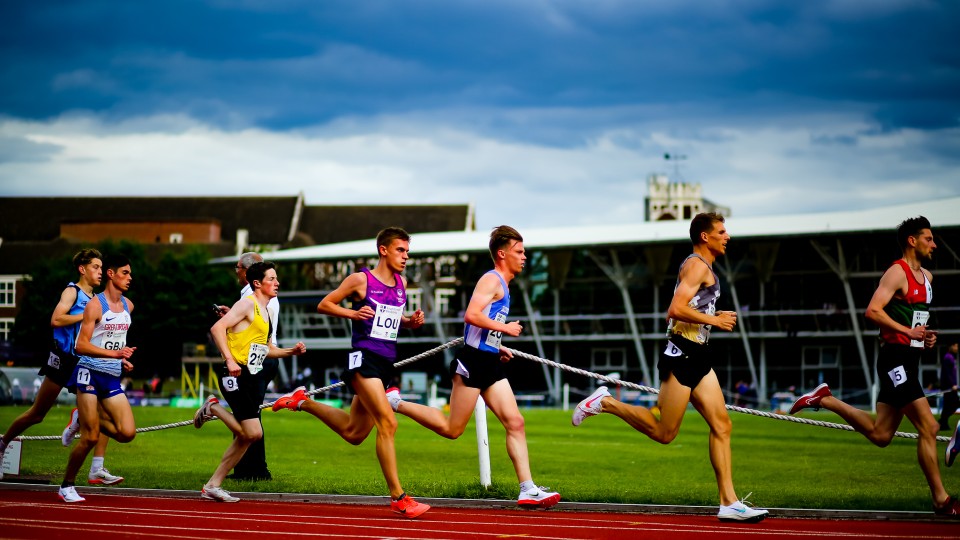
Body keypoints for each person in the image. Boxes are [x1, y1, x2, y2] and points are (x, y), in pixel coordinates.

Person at [571, 213, 768, 523]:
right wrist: (714, 320)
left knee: (722, 425)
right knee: (665, 432)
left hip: (699, 355)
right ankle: (605, 402)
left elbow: (691, 307)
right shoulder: (696, 265)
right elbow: (674, 309)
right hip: (682, 354)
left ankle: (729, 502)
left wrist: (711, 318)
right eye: (721, 231)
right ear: (705, 236)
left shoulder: (706, 267)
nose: (727, 236)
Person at [790, 216, 960, 516]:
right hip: (895, 360)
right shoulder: (897, 272)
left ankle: (825, 398)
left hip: (910, 359)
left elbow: (914, 320)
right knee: (929, 426)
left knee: (881, 435)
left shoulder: (928, 279)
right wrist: (908, 333)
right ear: (912, 240)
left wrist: (924, 337)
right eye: (928, 238)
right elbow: (872, 311)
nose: (934, 244)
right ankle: (941, 500)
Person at [387, 225, 561, 508]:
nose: (525, 256)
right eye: (519, 251)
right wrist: (504, 328)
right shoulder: (491, 280)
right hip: (473, 362)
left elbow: (481, 326)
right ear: (502, 254)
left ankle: (527, 488)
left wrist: (497, 343)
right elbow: (471, 315)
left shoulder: (504, 285)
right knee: (452, 429)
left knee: (515, 422)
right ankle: (396, 402)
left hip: (489, 360)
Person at [271, 227, 431, 518]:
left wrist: (410, 322)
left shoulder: (401, 283)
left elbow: (394, 321)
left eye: (408, 251)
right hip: (363, 360)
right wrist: (353, 313)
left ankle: (301, 401)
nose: (406, 256)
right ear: (383, 250)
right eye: (400, 250)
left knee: (354, 432)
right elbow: (325, 304)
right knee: (388, 424)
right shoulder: (361, 280)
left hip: (384, 363)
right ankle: (399, 497)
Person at [0, 250, 121, 486]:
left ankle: (97, 466)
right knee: (37, 414)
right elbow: (56, 319)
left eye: (101, 267)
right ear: (82, 269)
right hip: (63, 359)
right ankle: (3, 445)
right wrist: (86, 316)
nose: (100, 272)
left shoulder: (97, 299)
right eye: (95, 267)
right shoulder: (72, 291)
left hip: (84, 362)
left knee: (105, 412)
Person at [194, 261, 306, 502]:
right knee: (250, 433)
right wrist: (230, 360)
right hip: (233, 373)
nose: (277, 283)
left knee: (250, 435)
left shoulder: (265, 312)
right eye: (272, 279)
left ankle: (213, 485)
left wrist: (290, 352)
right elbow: (217, 328)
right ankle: (212, 407)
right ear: (257, 283)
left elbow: (264, 348)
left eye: (277, 279)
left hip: (249, 374)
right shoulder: (247, 303)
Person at [58, 254, 138, 503]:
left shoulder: (128, 306)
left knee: (127, 433)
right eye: (124, 273)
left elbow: (113, 341)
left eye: (130, 274)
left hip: (112, 376)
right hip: (89, 372)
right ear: (112, 275)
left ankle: (81, 417)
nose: (129, 278)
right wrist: (114, 353)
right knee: (91, 437)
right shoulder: (95, 305)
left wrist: (121, 359)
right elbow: (81, 345)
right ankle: (66, 485)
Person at [214, 251, 280, 481]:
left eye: (237, 267)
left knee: (251, 418)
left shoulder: (257, 295)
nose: (236, 271)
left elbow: (258, 335)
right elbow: (237, 326)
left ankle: (251, 469)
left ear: (248, 271)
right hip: (250, 361)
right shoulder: (252, 297)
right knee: (250, 417)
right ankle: (247, 469)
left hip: (259, 359)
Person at [939, 343, 958, 431]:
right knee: (953, 404)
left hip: (950, 386)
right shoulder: (948, 357)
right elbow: (947, 373)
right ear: (950, 346)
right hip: (949, 387)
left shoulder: (951, 357)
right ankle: (942, 422)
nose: (957, 348)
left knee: (948, 406)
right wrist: (952, 385)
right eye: (955, 346)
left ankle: (942, 423)